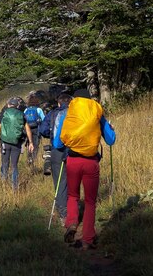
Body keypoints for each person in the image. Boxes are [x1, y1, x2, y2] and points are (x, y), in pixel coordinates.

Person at [53, 89, 116, 250]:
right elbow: (110, 140)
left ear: (75, 99)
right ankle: (88, 238)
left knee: (73, 195)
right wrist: (111, 128)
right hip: (91, 162)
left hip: (72, 161)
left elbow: (57, 144)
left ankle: (71, 224)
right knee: (90, 201)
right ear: (90, 99)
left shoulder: (69, 113)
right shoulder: (96, 112)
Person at [0, 97, 35, 191]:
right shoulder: (22, 114)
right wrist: (31, 142)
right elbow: (28, 130)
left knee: (4, 163)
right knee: (14, 165)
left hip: (5, 143)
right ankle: (14, 188)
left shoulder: (3, 114)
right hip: (17, 144)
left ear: (8, 105)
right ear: (17, 106)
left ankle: (4, 185)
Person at [48, 93, 73, 226]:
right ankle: (73, 211)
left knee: (59, 182)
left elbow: (44, 130)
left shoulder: (53, 113)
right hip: (74, 150)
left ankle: (63, 213)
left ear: (59, 102)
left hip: (57, 150)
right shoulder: (74, 113)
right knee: (72, 181)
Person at [24, 96, 46, 166]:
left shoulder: (26, 110)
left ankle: (29, 158)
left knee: (29, 143)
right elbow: (44, 119)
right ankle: (34, 159)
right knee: (36, 144)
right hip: (37, 128)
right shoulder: (38, 109)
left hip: (27, 129)